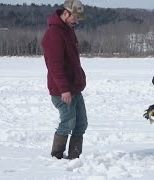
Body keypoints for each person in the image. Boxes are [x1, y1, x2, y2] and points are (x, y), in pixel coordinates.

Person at [41, 0, 87, 160]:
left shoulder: (68, 30)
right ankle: (56, 157)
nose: (77, 21)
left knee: (81, 124)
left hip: (74, 88)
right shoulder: (54, 34)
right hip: (63, 91)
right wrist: (64, 89)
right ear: (65, 13)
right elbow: (55, 66)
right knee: (68, 123)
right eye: (75, 17)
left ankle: (75, 158)